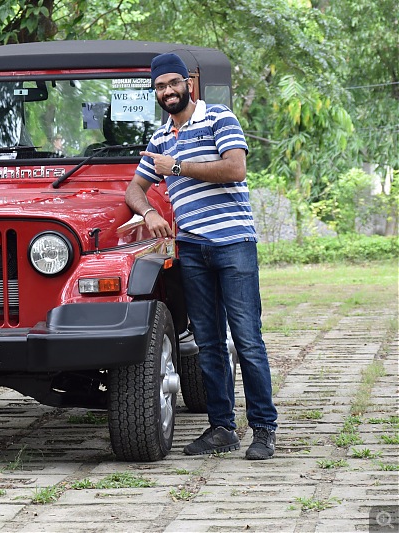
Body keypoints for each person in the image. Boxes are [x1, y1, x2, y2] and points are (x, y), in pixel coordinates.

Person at [124, 53, 278, 460]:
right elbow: (133, 190)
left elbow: (235, 169)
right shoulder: (159, 139)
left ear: (188, 84)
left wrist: (177, 167)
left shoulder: (218, 118)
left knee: (247, 341)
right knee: (208, 344)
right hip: (191, 248)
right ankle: (223, 429)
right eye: (160, 86)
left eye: (174, 83)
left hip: (233, 244)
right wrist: (151, 211)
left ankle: (263, 429)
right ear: (154, 91)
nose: (168, 91)